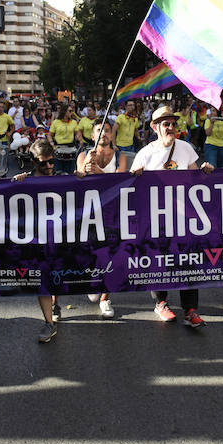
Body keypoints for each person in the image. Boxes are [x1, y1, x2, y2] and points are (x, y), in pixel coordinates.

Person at [130, 106, 214, 327]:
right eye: (165, 124)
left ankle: (191, 310)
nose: (170, 127)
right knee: (159, 261)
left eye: (173, 123)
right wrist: (137, 176)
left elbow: (197, 178)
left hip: (185, 217)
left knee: (189, 261)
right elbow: (131, 186)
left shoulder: (185, 148)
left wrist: (205, 172)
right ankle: (161, 303)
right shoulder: (145, 153)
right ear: (155, 127)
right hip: (156, 219)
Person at [75, 118, 128, 319]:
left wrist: (97, 171)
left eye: (107, 130)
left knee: (112, 253)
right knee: (91, 250)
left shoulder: (120, 155)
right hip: (90, 212)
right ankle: (94, 281)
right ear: (93, 135)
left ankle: (106, 298)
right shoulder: (83, 154)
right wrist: (86, 165)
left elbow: (119, 179)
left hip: (113, 211)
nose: (104, 133)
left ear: (112, 135)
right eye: (99, 130)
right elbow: (79, 176)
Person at [13, 140, 63, 341]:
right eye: (44, 163)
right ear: (34, 162)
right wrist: (15, 184)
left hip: (61, 237)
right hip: (37, 239)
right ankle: (48, 323)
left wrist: (81, 176)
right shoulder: (26, 181)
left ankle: (54, 302)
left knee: (57, 275)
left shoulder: (61, 178)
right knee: (42, 278)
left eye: (52, 162)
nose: (49, 166)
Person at [48, 104, 81, 174]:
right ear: (64, 112)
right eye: (70, 111)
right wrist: (51, 142)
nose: (72, 112)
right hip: (58, 148)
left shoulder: (74, 122)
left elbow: (78, 133)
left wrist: (78, 137)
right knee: (58, 172)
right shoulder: (56, 122)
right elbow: (49, 135)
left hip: (71, 148)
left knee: (71, 172)